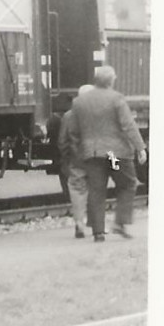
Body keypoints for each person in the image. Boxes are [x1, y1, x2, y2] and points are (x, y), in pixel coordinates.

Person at [66, 65, 148, 241]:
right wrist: (140, 147)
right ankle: (120, 222)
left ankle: (98, 232)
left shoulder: (79, 102)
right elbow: (128, 125)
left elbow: (73, 130)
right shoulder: (116, 99)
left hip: (92, 154)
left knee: (96, 190)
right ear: (111, 80)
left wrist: (80, 150)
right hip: (113, 155)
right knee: (127, 183)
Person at [58, 83, 96, 238]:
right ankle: (95, 224)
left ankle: (79, 222)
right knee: (95, 190)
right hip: (96, 160)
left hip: (76, 160)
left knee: (77, 190)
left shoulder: (68, 116)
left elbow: (62, 141)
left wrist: (66, 159)